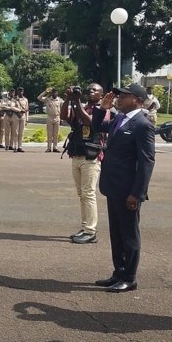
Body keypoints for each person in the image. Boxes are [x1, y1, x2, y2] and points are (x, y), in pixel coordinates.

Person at [96, 85, 156, 292]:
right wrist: (102, 108)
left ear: (138, 100)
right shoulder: (120, 119)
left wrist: (137, 193)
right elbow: (97, 126)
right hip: (113, 186)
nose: (119, 99)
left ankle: (129, 277)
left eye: (124, 96)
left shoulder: (143, 125)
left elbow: (147, 162)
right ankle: (119, 272)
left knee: (129, 234)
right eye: (119, 95)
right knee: (116, 233)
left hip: (128, 190)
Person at [62, 84, 109, 243]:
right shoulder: (81, 106)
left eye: (95, 90)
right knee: (82, 194)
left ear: (101, 95)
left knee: (88, 193)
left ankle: (91, 231)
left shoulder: (103, 110)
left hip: (91, 157)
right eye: (89, 89)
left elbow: (89, 122)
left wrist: (76, 102)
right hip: (77, 155)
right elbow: (64, 116)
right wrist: (69, 99)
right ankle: (85, 227)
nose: (91, 91)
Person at [39, 88, 62, 152]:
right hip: (50, 117)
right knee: (49, 134)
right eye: (53, 92)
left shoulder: (59, 100)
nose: (55, 93)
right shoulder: (47, 99)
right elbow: (39, 98)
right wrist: (45, 92)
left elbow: (62, 108)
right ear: (51, 93)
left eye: (56, 92)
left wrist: (62, 119)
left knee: (56, 134)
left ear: (57, 93)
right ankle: (49, 148)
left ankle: (55, 147)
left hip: (57, 117)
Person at [14, 88, 29, 152]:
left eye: (21, 91)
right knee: (16, 132)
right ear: (17, 92)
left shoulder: (25, 99)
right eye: (19, 91)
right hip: (16, 116)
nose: (20, 92)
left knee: (21, 133)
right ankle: (15, 146)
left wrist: (27, 119)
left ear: (23, 91)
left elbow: (27, 109)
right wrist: (19, 111)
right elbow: (12, 107)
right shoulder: (14, 99)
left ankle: (20, 146)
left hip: (23, 116)